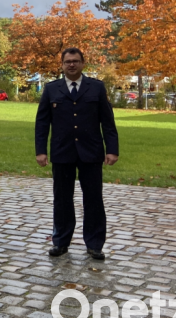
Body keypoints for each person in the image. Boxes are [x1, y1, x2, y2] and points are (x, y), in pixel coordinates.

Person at [35, 47, 119, 260]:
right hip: (62, 152)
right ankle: (61, 242)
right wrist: (40, 151)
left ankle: (95, 244)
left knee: (93, 199)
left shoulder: (96, 88)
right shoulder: (52, 89)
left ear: (83, 63)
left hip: (91, 152)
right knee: (62, 199)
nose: (71, 64)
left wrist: (112, 150)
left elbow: (108, 122)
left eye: (75, 61)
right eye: (67, 62)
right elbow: (42, 123)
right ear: (62, 65)